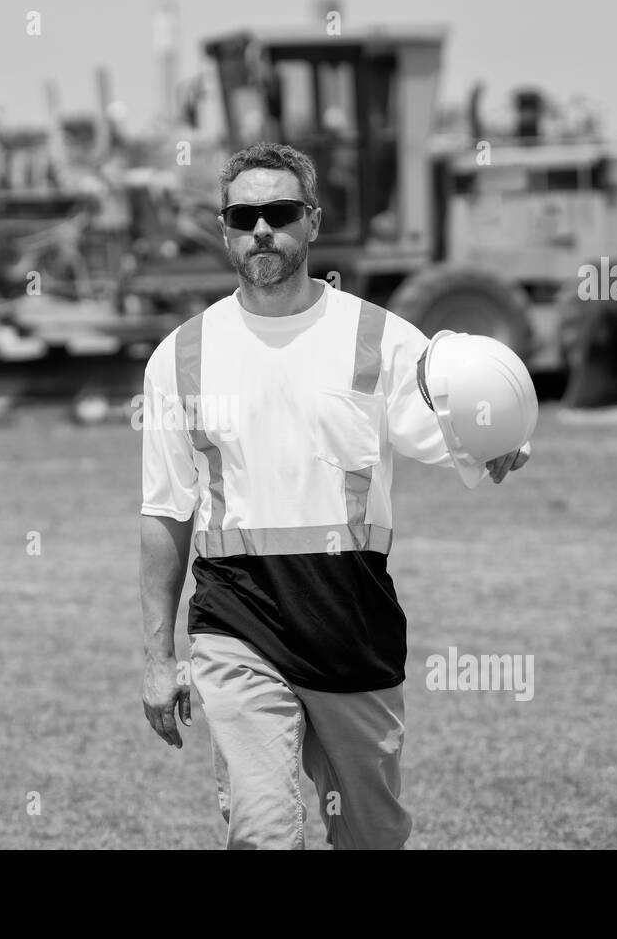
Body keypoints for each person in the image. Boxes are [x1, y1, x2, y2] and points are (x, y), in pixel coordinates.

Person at [138, 142, 529, 849]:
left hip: (352, 622)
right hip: (237, 619)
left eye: (280, 213)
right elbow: (166, 511)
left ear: (312, 222)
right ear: (225, 228)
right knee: (262, 832)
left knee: (371, 837)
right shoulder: (181, 356)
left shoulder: (379, 337)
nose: (262, 229)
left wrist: (495, 437)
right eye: (243, 215)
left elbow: (455, 429)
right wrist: (159, 658)